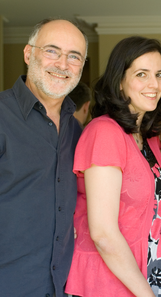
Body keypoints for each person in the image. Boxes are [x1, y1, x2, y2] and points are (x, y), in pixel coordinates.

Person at [65, 36, 161, 297]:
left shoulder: (146, 138)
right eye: (141, 74)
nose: (155, 84)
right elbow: (103, 233)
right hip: (106, 281)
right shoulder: (104, 132)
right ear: (120, 81)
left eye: (159, 74)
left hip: (145, 272)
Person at [0, 18, 87, 297]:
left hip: (61, 286)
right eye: (52, 51)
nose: (63, 64)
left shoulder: (76, 130)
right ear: (28, 54)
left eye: (74, 56)